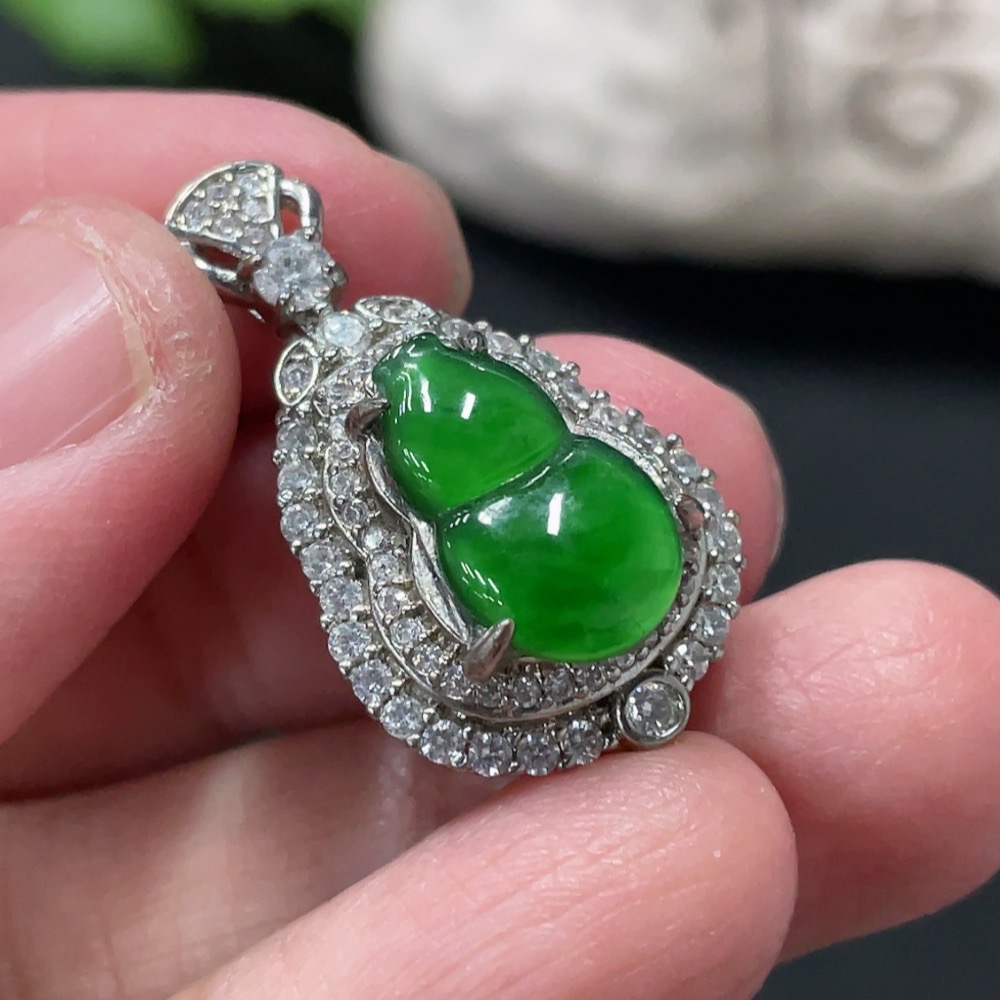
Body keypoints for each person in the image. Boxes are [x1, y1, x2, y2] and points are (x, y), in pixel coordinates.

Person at [0, 90, 998, 1000]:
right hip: (528, 583)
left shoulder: (433, 388)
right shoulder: (377, 427)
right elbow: (404, 537)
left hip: (575, 542)